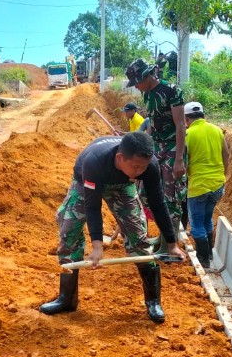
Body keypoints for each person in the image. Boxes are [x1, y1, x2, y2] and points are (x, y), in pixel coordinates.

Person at [40, 132, 186, 323]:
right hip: (86, 180)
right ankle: (67, 299)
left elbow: (158, 204)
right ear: (120, 158)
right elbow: (93, 206)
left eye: (144, 166)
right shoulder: (95, 161)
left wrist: (171, 243)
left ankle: (153, 302)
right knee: (69, 231)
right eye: (136, 166)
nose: (140, 171)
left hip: (123, 185)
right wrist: (98, 246)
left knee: (138, 236)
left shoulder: (148, 166)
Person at [125, 58, 188, 258]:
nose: (136, 86)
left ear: (147, 76)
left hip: (171, 148)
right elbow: (151, 123)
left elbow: (180, 126)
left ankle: (168, 244)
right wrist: (148, 149)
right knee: (146, 193)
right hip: (157, 148)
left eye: (137, 82)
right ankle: (161, 237)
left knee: (171, 197)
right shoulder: (148, 94)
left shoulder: (171, 91)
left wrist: (178, 159)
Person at [183, 102, 229, 268]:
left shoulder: (188, 134)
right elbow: (226, 154)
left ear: (186, 118)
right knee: (207, 218)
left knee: (196, 224)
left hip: (198, 186)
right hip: (217, 184)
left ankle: (203, 259)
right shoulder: (217, 130)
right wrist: (222, 175)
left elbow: (184, 162)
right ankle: (209, 253)